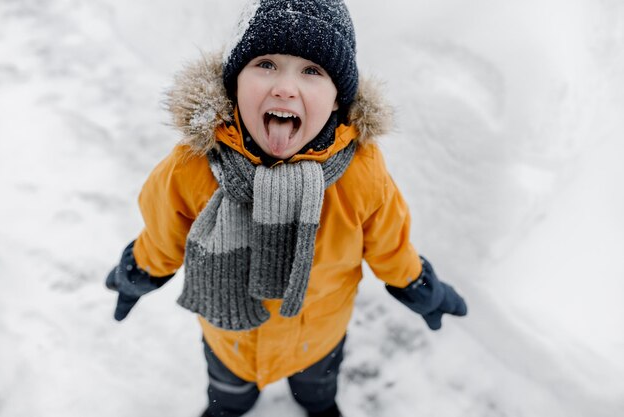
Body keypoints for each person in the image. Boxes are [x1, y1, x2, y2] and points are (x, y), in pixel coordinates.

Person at [105, 1, 468, 416]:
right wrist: (137, 273)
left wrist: (420, 287)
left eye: (312, 71)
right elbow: (162, 236)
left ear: (337, 100)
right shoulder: (193, 167)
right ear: (234, 83)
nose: (285, 88)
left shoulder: (360, 174)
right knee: (228, 391)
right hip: (231, 336)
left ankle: (317, 403)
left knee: (317, 386)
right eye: (266, 64)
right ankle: (227, 406)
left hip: (320, 333)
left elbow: (389, 244)